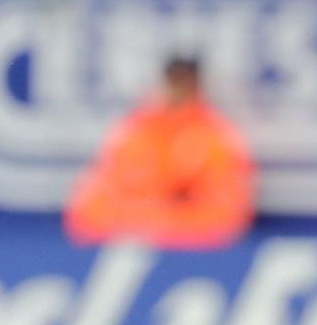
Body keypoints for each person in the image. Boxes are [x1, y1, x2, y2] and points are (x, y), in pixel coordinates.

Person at [63, 56, 256, 250]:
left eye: (185, 83)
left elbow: (227, 213)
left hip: (189, 245)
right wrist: (146, 216)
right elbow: (92, 205)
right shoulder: (136, 130)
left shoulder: (216, 135)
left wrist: (164, 221)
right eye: (174, 82)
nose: (179, 91)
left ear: (197, 86)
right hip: (132, 236)